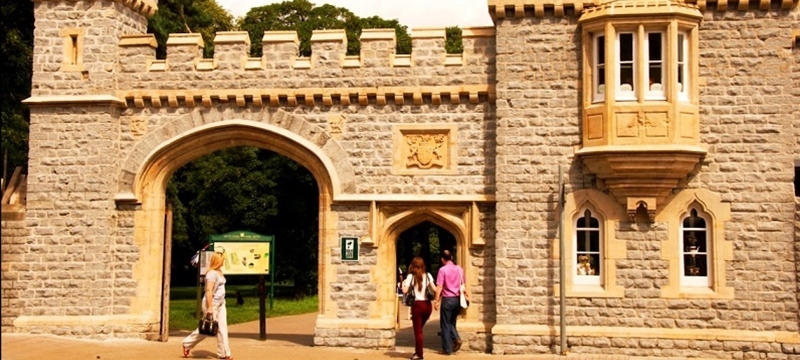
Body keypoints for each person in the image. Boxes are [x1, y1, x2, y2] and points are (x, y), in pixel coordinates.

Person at [182, 252, 232, 360]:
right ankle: (187, 343)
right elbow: (208, 291)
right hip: (212, 303)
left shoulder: (219, 272)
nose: (224, 261)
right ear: (218, 260)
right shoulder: (211, 273)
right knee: (207, 328)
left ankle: (224, 354)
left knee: (222, 328)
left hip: (221, 303)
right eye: (222, 259)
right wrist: (210, 307)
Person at [433, 249, 469, 355]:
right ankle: (456, 339)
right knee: (452, 322)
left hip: (448, 299)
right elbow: (464, 284)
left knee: (445, 324)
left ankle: (447, 348)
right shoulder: (459, 269)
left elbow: (439, 286)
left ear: (442, 259)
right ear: (452, 258)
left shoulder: (442, 270)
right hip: (458, 299)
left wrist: (436, 300)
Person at [402, 257, 436, 360]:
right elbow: (434, 289)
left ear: (412, 265)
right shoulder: (428, 275)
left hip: (417, 306)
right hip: (427, 306)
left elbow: (405, 291)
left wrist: (403, 285)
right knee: (419, 330)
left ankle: (419, 354)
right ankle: (417, 351)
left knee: (418, 332)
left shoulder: (410, 277)